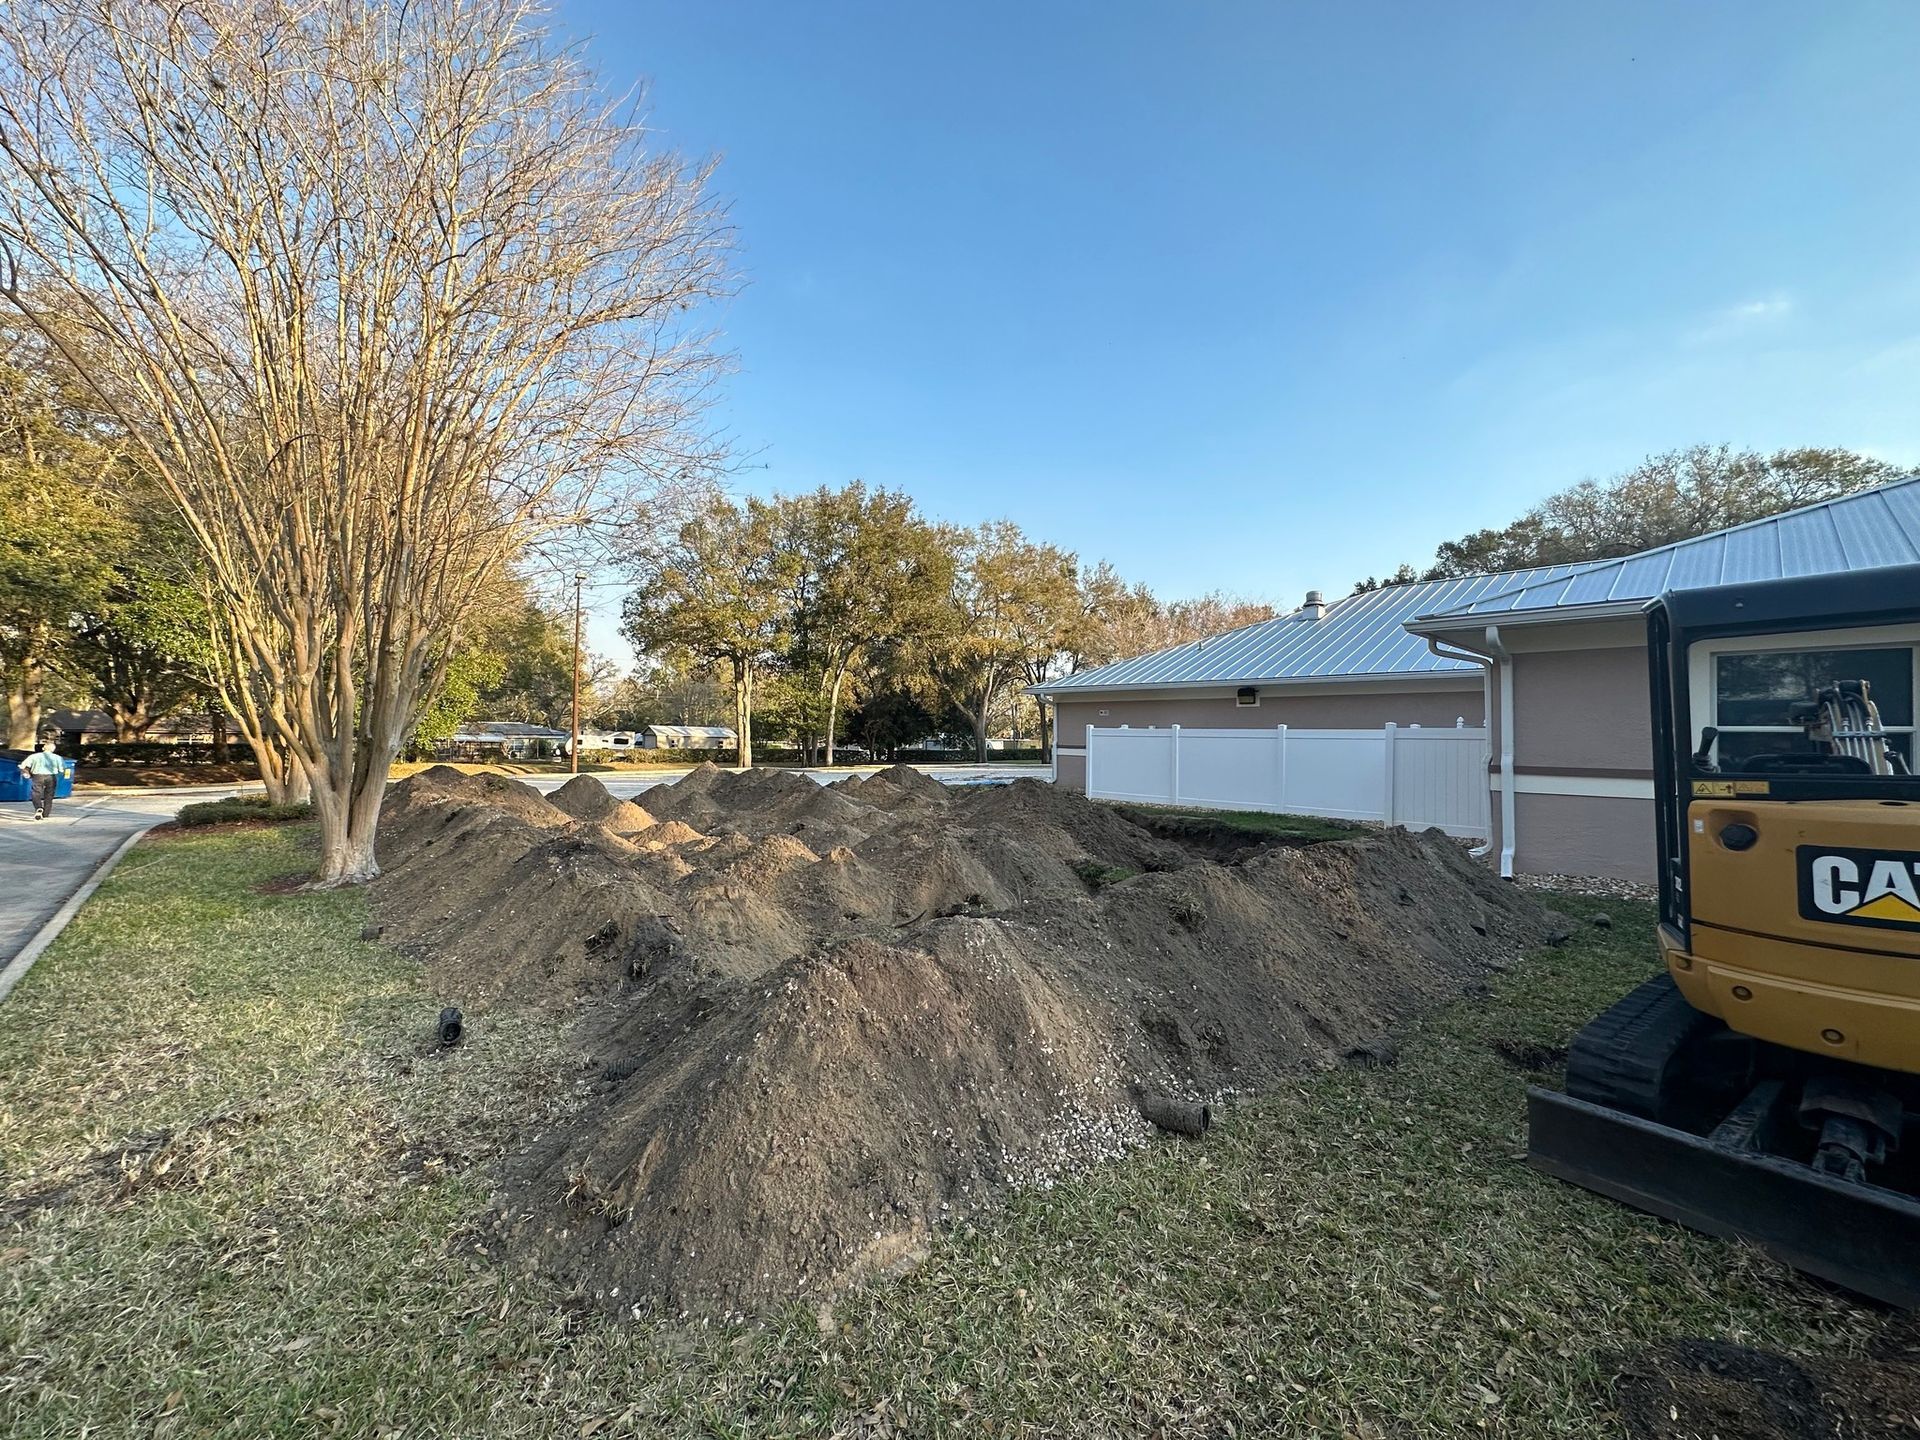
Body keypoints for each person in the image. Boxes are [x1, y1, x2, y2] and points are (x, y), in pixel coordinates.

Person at [18, 738, 65, 820]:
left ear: (43, 748)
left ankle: (38, 807)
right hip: (51, 776)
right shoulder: (58, 758)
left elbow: (22, 766)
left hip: (37, 776)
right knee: (49, 795)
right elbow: (62, 770)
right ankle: (46, 813)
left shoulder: (34, 756)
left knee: (36, 793)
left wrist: (26, 773)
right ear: (53, 749)